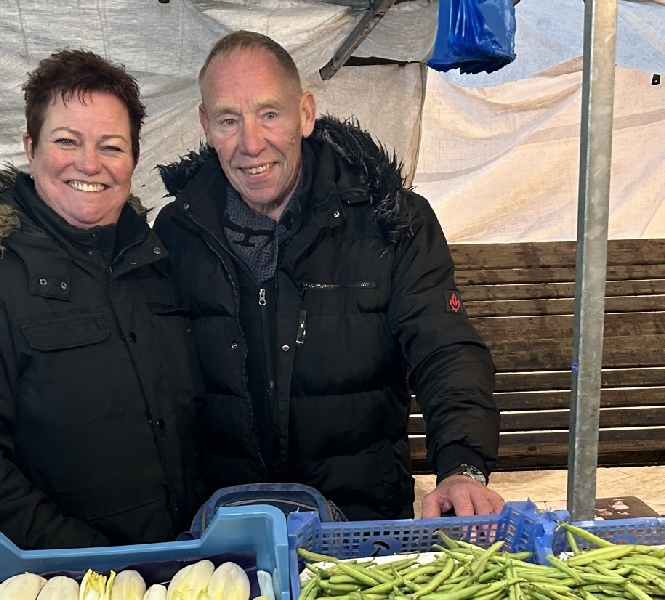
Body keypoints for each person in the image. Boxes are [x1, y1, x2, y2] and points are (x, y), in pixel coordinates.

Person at [153, 30, 503, 521]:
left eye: (269, 114)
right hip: (229, 528)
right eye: (230, 120)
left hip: (363, 521)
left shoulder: (393, 222)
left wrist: (463, 465)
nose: (251, 144)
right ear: (206, 126)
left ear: (306, 114)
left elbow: (444, 349)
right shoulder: (176, 231)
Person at [0, 49, 204, 549]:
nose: (89, 163)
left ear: (133, 156)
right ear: (31, 146)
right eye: (67, 141)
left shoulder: (157, 265)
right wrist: (89, 563)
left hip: (190, 558)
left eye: (111, 146)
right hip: (66, 578)